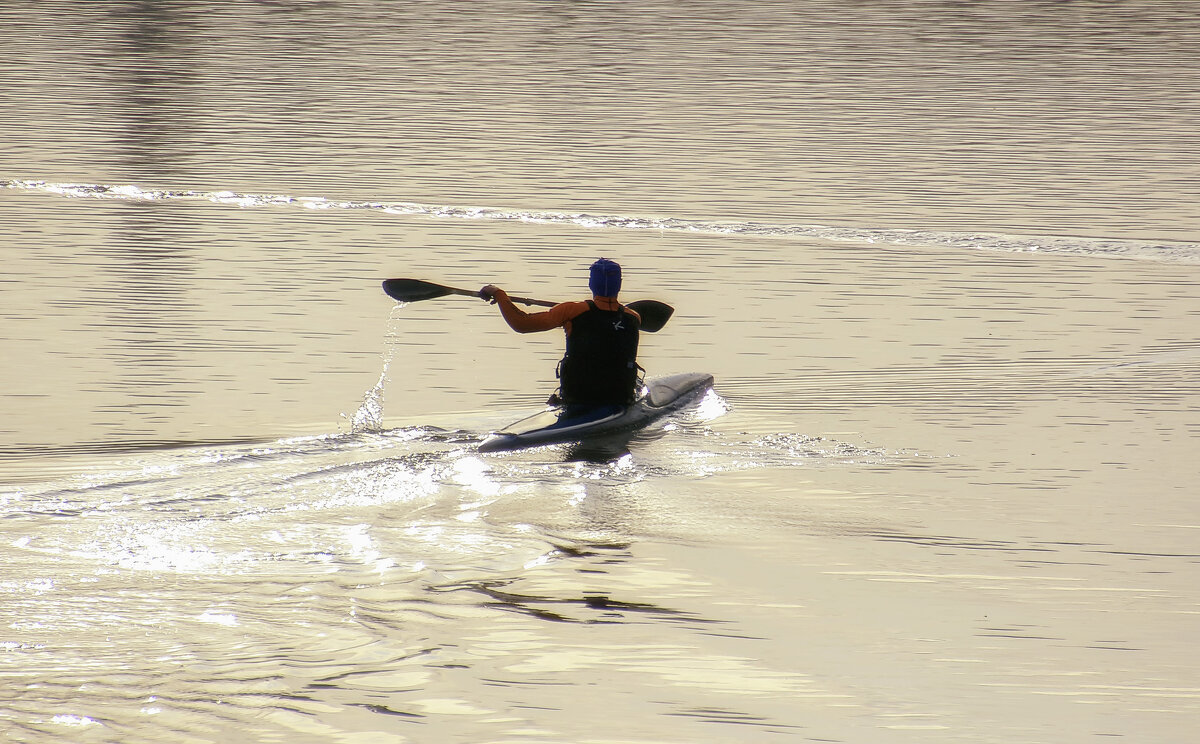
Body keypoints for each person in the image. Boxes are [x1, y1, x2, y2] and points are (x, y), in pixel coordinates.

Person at [480, 258, 642, 408]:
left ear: (591, 283)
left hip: (578, 396)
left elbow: (521, 323)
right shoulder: (633, 317)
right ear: (619, 284)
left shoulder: (571, 310)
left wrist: (498, 294)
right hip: (620, 397)